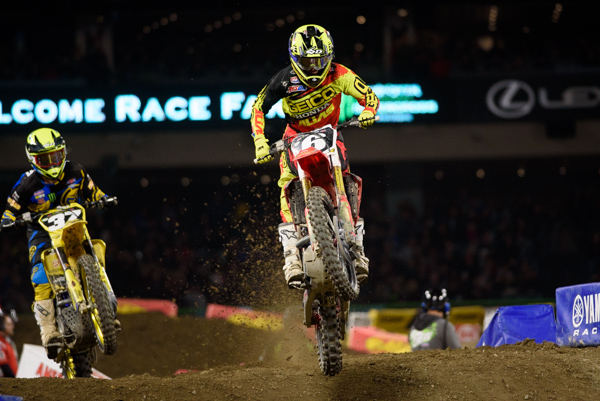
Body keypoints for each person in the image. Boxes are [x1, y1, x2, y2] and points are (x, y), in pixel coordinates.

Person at [251, 24, 380, 288]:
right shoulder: (283, 81)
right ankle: (291, 256)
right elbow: (258, 107)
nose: (313, 68)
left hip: (330, 134)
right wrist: (260, 141)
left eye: (319, 61)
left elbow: (369, 95)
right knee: (286, 187)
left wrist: (368, 111)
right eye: (307, 62)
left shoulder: (340, 74)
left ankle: (357, 248)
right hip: (294, 137)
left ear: (329, 57)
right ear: (294, 59)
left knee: (347, 180)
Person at [0, 128, 117, 359]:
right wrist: (8, 220)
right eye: (46, 159)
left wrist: (103, 199)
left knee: (96, 250)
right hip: (42, 232)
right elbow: (9, 211)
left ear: (63, 153)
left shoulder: (76, 171)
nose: (53, 163)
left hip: (73, 225)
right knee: (40, 275)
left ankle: (105, 302)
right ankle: (49, 332)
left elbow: (94, 192)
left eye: (56, 156)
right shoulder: (26, 184)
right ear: (34, 160)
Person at [0, 308, 18, 378]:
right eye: (9, 324)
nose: (12, 327)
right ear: (2, 326)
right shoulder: (1, 343)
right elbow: (4, 366)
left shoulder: (8, 342)